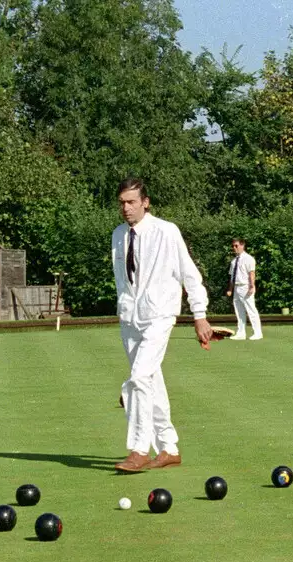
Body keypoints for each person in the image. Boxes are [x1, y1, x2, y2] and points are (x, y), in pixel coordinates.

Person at [111, 178, 213, 473]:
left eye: (131, 202)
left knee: (139, 379)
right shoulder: (118, 235)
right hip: (130, 319)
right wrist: (124, 311)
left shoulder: (166, 232)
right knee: (151, 382)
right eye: (122, 202)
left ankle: (139, 450)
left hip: (159, 315)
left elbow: (189, 274)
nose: (126, 208)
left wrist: (200, 315)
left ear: (146, 202)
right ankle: (169, 447)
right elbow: (123, 280)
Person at [226, 237, 262, 340]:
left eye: (236, 245)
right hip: (237, 288)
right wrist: (230, 289)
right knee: (239, 311)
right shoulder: (233, 261)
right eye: (233, 246)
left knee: (251, 310)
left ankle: (258, 332)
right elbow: (232, 277)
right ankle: (241, 333)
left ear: (242, 245)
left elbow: (252, 273)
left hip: (245, 287)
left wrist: (251, 286)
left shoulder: (249, 259)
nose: (234, 248)